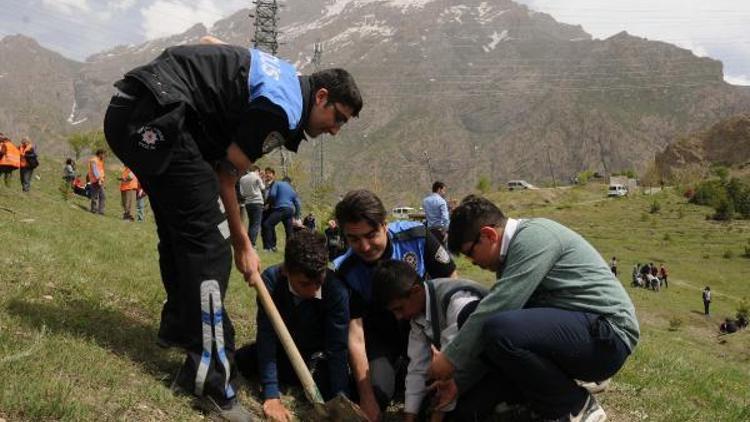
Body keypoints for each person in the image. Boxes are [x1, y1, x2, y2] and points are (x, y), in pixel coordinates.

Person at [102, 39, 362, 421]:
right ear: (321, 97)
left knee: (181, 230)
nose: (336, 130)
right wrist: (242, 244)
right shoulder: (282, 108)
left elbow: (215, 53)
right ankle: (212, 383)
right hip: (159, 118)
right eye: (338, 117)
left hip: (134, 112)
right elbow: (228, 175)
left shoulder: (285, 76)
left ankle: (179, 330)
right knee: (211, 245)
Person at [428, 195, 639, 422]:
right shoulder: (513, 254)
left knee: (498, 327)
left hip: (608, 337)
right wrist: (458, 383)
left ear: (488, 235)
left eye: (470, 252)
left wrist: (450, 358)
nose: (473, 262)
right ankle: (535, 400)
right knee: (477, 318)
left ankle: (575, 405)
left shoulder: (534, 238)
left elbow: (499, 306)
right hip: (583, 332)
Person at [333, 189, 456, 421]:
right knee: (377, 394)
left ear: (385, 225)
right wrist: (367, 396)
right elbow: (356, 336)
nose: (365, 246)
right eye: (354, 239)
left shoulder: (418, 237)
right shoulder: (345, 270)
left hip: (425, 332)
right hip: (383, 339)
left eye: (371, 235)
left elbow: (451, 287)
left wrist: (449, 354)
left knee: (443, 397)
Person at [235, 229, 350, 422]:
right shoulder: (270, 282)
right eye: (305, 284)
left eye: (318, 282)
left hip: (314, 360)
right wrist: (271, 395)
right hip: (282, 353)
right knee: (241, 360)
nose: (314, 291)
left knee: (328, 382)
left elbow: (337, 348)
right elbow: (267, 337)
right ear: (286, 271)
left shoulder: (335, 290)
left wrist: (341, 399)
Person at [371, 260, 488, 422]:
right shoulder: (417, 312)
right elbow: (417, 369)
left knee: (461, 414)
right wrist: (409, 417)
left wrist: (437, 415)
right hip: (462, 369)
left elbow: (449, 365)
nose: (398, 316)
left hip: (491, 364)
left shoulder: (458, 301)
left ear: (416, 291)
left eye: (399, 308)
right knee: (425, 403)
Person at [262, 176, 301, 252]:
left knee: (267, 224)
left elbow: (272, 195)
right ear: (290, 182)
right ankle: (290, 250)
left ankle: (269, 247)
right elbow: (298, 204)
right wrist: (296, 216)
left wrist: (268, 204)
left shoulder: (277, 183)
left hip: (280, 209)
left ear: (283, 180)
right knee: (289, 231)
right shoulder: (292, 190)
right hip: (289, 210)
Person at [238, 165, 265, 246]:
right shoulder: (256, 176)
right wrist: (262, 179)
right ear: (256, 170)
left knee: (251, 223)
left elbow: (242, 193)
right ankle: (252, 243)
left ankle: (248, 242)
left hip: (248, 203)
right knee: (256, 224)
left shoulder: (242, 178)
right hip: (257, 202)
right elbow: (263, 188)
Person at [423, 181, 450, 246]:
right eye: (443, 190)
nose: (444, 193)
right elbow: (445, 218)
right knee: (444, 252)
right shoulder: (442, 201)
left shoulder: (425, 201)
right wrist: (445, 231)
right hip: (440, 231)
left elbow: (426, 215)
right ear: (439, 189)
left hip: (430, 231)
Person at [87, 149, 106, 215]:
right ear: (100, 154)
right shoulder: (94, 160)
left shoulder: (100, 161)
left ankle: (100, 211)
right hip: (96, 181)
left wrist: (103, 178)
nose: (104, 156)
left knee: (102, 196)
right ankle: (93, 210)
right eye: (103, 154)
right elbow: (95, 171)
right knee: (95, 196)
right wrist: (99, 179)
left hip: (100, 180)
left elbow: (101, 170)